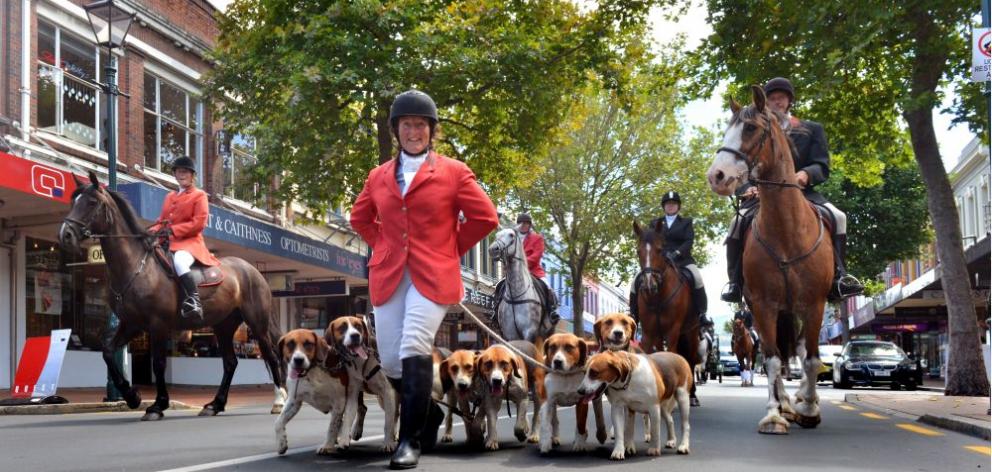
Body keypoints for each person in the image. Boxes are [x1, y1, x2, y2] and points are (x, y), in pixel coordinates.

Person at [350, 90, 498, 469]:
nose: (413, 131)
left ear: (431, 131)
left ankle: (409, 440)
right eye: (406, 125)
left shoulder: (454, 172)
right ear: (396, 130)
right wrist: (383, 247)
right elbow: (360, 218)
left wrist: (449, 248)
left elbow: (485, 219)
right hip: (389, 273)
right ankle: (428, 413)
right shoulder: (378, 175)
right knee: (391, 360)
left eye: (420, 125)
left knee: (414, 342)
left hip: (433, 274)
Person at [720, 77, 864, 304]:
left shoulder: (810, 129)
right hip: (762, 196)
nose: (777, 102)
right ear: (766, 102)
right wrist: (748, 188)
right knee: (736, 224)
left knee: (839, 217)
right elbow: (742, 165)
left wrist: (806, 174)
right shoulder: (757, 129)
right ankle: (735, 282)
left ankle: (840, 276)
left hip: (803, 194)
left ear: (790, 101)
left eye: (782, 98)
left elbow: (822, 165)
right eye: (773, 98)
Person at [148, 156, 219, 320]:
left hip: (190, 244)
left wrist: (173, 231)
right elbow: (161, 221)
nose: (182, 175)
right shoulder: (169, 196)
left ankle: (194, 300)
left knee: (179, 261)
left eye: (185, 172)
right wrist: (151, 232)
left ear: (192, 175)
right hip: (167, 243)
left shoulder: (199, 195)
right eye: (179, 172)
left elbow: (198, 223)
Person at [633, 191, 711, 328]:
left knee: (697, 278)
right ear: (664, 207)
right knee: (637, 279)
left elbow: (688, 241)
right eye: (668, 204)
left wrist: (677, 253)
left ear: (678, 207)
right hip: (659, 261)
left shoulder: (686, 222)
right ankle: (633, 313)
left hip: (682, 260)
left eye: (673, 204)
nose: (670, 207)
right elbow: (649, 242)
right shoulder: (655, 223)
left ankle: (702, 313)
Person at [493, 212, 559, 327]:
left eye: (526, 224)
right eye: (521, 223)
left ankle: (551, 312)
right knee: (499, 285)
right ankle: (496, 312)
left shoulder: (537, 238)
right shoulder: (511, 238)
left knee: (548, 287)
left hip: (534, 271)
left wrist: (520, 264)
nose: (523, 226)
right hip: (514, 273)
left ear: (529, 225)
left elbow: (536, 256)